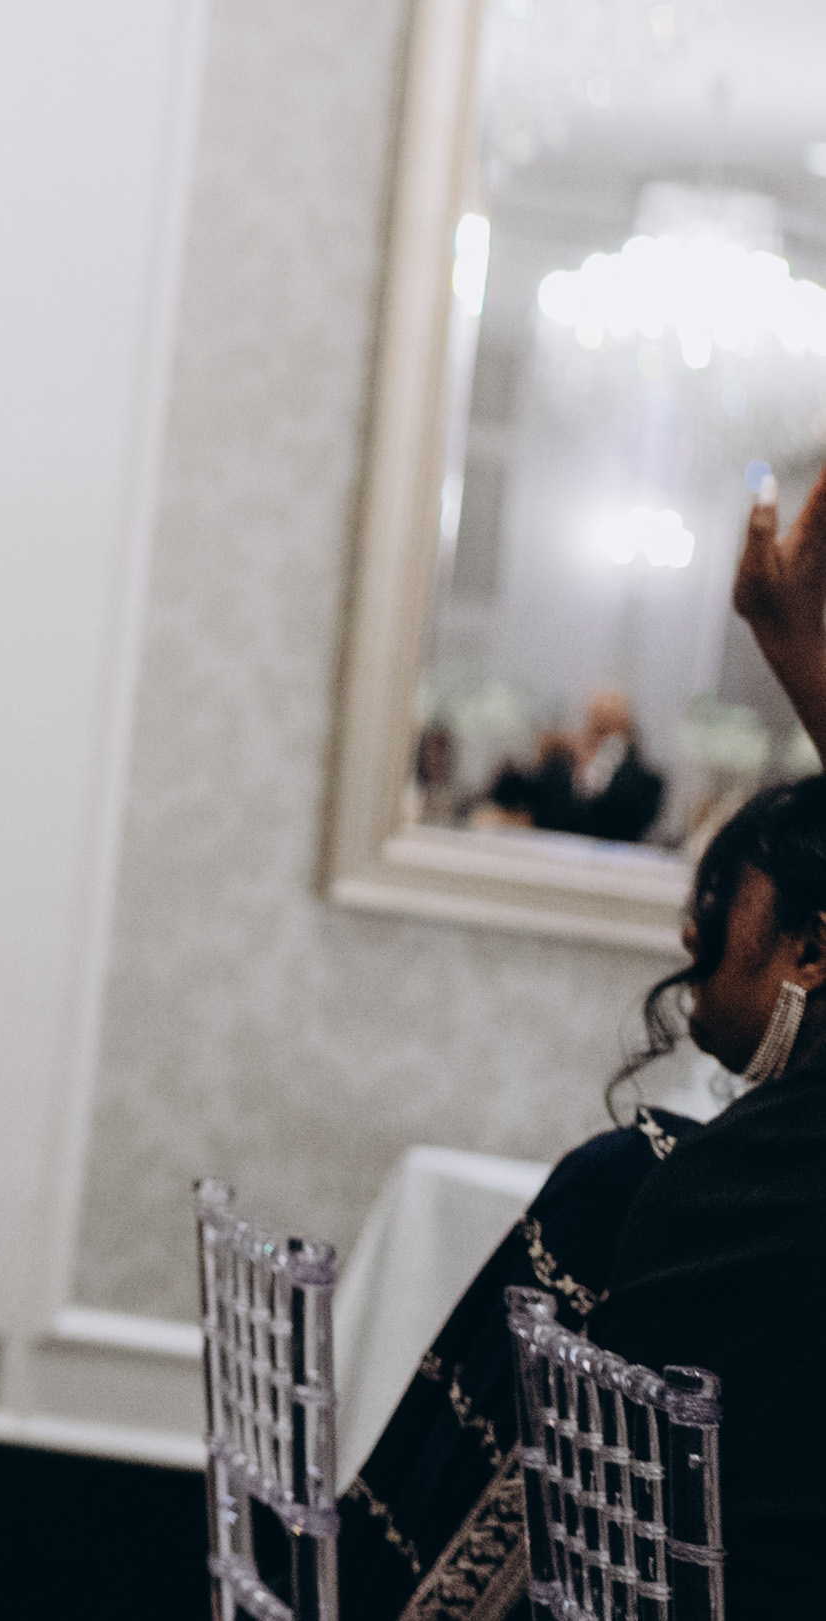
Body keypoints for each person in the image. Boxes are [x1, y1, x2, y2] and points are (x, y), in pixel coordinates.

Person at [345, 485, 826, 1618]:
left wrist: (799, 655)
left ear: (810, 947)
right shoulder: (740, 1176)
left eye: (719, 916)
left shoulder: (719, 1186)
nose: (689, 947)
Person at [482, 688, 669, 845]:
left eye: (610, 717)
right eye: (597, 717)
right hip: (551, 853)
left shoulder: (644, 779)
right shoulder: (559, 763)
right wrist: (540, 755)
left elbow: (632, 819)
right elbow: (510, 795)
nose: (601, 724)